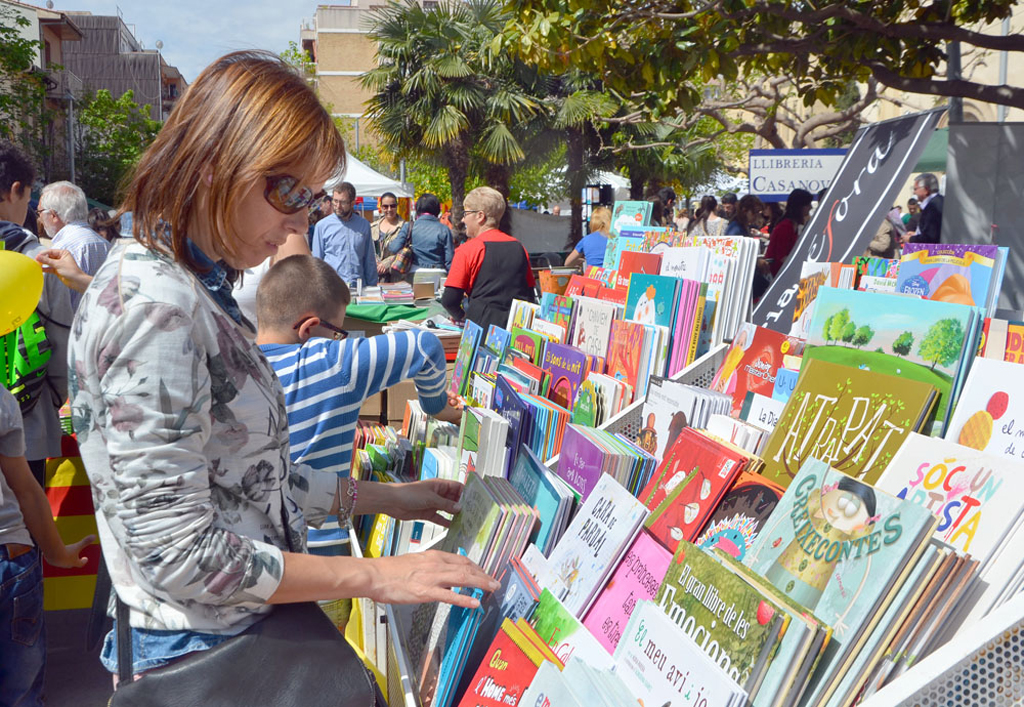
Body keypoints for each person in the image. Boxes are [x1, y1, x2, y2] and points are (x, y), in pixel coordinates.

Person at [66, 50, 497, 685]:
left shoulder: (186, 289)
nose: (304, 218)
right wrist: (377, 576)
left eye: (312, 196)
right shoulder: (155, 308)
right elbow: (180, 554)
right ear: (222, 163)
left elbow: (242, 478)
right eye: (290, 191)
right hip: (201, 657)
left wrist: (380, 497)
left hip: (223, 641)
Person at [256, 255, 461, 544]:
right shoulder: (327, 361)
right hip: (323, 542)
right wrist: (438, 407)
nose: (341, 341)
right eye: (338, 333)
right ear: (309, 329)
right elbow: (425, 346)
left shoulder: (240, 369)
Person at [1, 383, 96, 706]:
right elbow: (25, 488)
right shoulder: (2, 397)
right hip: (10, 559)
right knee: (20, 694)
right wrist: (57, 553)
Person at [0, 140, 73, 487]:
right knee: (27, 526)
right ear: (16, 191)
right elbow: (61, 340)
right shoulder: (38, 260)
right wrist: (55, 398)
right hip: (26, 423)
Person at [442, 186, 536, 332]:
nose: (463, 219)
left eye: (466, 213)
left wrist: (463, 316)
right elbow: (530, 295)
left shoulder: (468, 250)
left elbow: (449, 300)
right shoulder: (519, 247)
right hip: (516, 330)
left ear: (480, 216)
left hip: (480, 330)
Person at [36, 180, 111, 310]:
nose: (40, 219)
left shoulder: (58, 251)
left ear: (53, 215)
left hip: (71, 327)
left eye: (40, 212)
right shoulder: (106, 244)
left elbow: (51, 306)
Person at [312, 181, 377, 288]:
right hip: (332, 288)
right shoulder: (321, 226)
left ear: (352, 203)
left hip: (359, 288)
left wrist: (373, 287)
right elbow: (317, 262)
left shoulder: (364, 225)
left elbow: (369, 260)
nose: (338, 206)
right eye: (335, 201)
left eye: (343, 202)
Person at [388, 192, 454, 272]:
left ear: (418, 209)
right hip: (438, 272)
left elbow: (394, 248)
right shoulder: (444, 229)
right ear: (437, 209)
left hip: (415, 272)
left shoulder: (409, 226)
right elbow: (449, 259)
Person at [764, 188, 813, 277]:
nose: (811, 207)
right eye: (808, 204)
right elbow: (781, 257)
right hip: (778, 274)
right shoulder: (785, 227)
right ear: (800, 207)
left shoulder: (793, 226)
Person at [563, 205, 610, 269]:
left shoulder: (586, 240)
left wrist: (578, 261)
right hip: (612, 277)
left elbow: (567, 263)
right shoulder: (616, 238)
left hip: (592, 277)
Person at [904, 173, 942, 244]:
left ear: (926, 190)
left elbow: (930, 237)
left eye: (915, 189)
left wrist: (911, 239)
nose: (914, 192)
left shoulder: (933, 207)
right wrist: (916, 235)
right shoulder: (939, 201)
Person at [372, 191, 405, 264]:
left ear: (397, 206)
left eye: (392, 206)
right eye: (385, 206)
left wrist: (387, 263)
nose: (389, 209)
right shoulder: (372, 227)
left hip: (395, 272)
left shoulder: (405, 227)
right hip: (374, 272)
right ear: (381, 207)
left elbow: (406, 252)